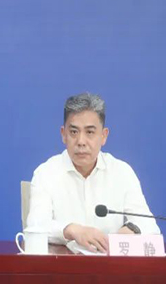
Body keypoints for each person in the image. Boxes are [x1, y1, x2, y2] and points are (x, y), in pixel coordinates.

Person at [26, 93, 159, 253]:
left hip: (111, 265)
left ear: (103, 136)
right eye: (74, 132)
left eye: (89, 132)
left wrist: (130, 231)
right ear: (63, 134)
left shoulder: (122, 173)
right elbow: (36, 227)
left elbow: (149, 225)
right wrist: (71, 230)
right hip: (62, 265)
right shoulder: (46, 173)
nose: (81, 141)